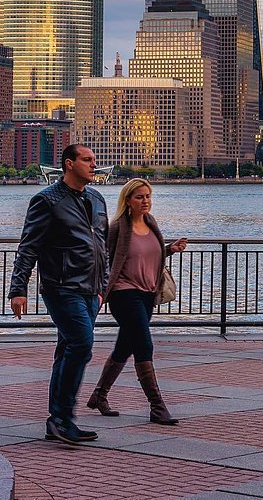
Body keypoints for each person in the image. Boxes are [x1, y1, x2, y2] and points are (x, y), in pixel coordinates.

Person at [9, 145, 108, 446]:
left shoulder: (97, 198)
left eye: (94, 160)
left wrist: (103, 286)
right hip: (61, 287)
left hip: (91, 291)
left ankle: (59, 421)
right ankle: (63, 417)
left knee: (67, 349)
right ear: (69, 164)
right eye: (87, 160)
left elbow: (102, 243)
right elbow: (29, 247)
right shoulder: (47, 200)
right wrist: (18, 289)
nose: (94, 165)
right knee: (81, 343)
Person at [86, 179, 187, 425]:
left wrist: (170, 249)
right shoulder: (118, 227)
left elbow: (149, 252)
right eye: (140, 197)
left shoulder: (151, 223)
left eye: (148, 196)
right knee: (144, 344)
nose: (145, 201)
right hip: (123, 293)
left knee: (125, 346)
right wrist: (99, 290)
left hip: (147, 293)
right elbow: (103, 258)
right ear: (128, 200)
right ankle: (157, 406)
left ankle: (99, 396)